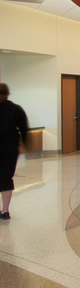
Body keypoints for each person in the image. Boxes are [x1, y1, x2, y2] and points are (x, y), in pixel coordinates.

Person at [0, 83, 28, 220]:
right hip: (10, 150)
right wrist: (25, 144)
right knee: (6, 178)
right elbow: (24, 129)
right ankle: (5, 211)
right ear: (7, 94)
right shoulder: (16, 109)